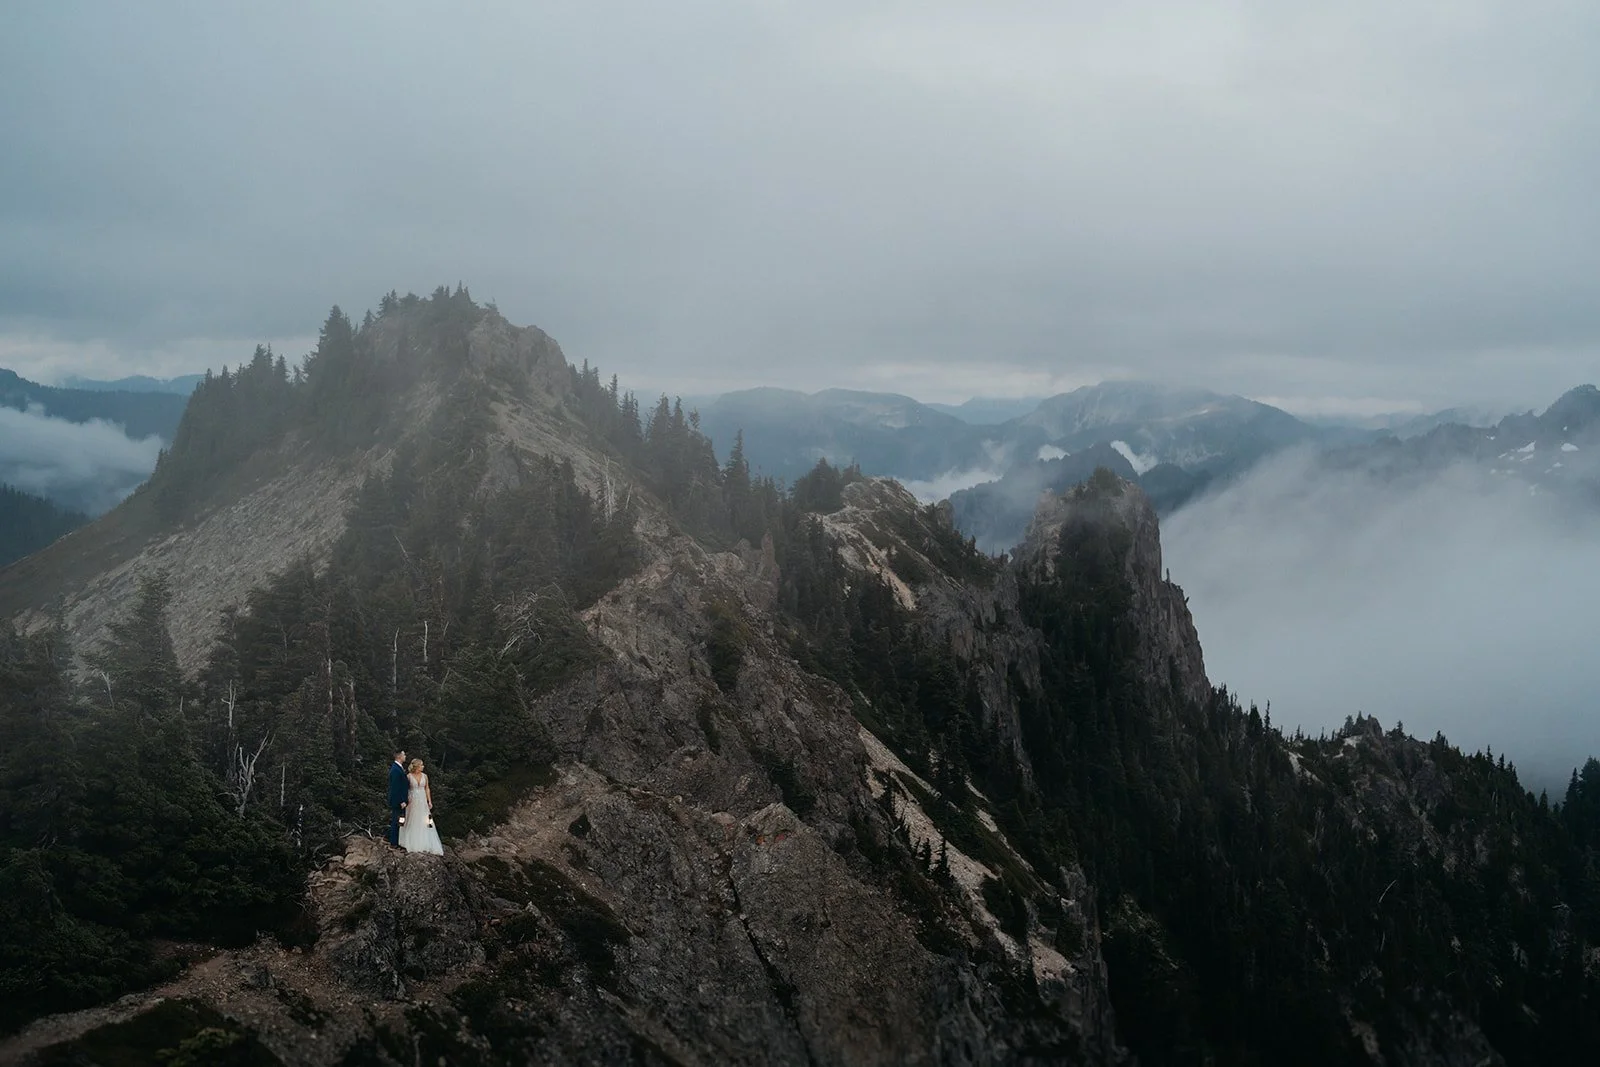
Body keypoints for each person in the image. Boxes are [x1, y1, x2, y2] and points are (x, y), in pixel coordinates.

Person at [398, 758, 444, 855]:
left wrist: (429, 801)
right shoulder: (409, 776)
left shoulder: (425, 776)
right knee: (413, 819)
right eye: (421, 765)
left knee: (425, 820)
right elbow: (405, 789)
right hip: (412, 800)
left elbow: (427, 788)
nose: (423, 766)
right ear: (417, 766)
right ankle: (411, 841)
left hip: (422, 800)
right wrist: (405, 800)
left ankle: (425, 841)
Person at [386, 749, 408, 848]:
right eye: (404, 754)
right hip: (397, 800)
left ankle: (390, 837)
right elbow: (395, 787)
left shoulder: (399, 768)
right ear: (399, 756)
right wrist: (401, 800)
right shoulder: (395, 769)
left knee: (399, 820)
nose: (405, 756)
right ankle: (393, 843)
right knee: (396, 820)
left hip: (399, 799)